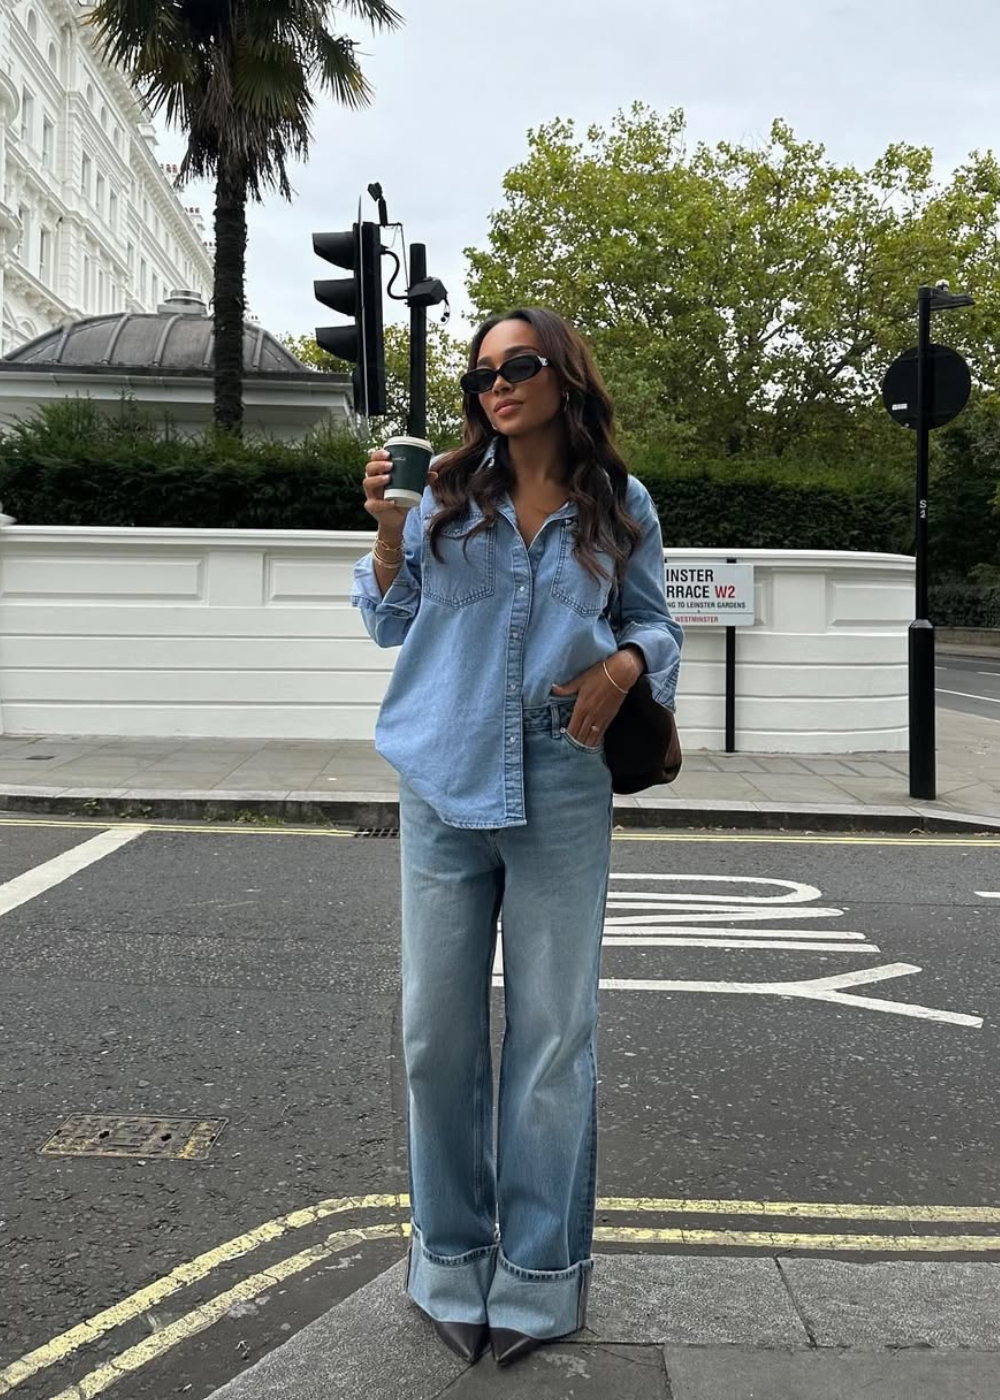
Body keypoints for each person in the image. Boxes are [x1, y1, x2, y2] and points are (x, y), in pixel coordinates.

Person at [350, 307, 682, 1368]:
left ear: (562, 377)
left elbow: (655, 621)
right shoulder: (445, 492)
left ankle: (537, 1277)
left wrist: (626, 664)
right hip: (442, 777)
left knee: (551, 1040)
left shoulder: (618, 501)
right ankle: (450, 1259)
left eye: (518, 364)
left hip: (562, 779)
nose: (496, 383)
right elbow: (388, 619)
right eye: (482, 372)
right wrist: (388, 531)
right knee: (433, 1036)